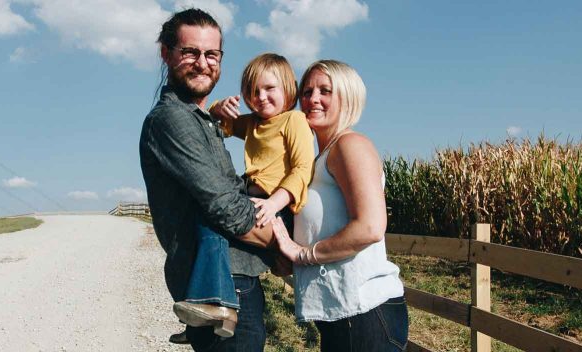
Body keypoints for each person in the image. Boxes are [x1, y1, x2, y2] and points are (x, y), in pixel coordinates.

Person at [139, 8, 284, 352]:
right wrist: (287, 246)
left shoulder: (202, 121)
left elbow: (232, 189)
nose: (203, 62)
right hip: (223, 289)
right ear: (166, 54)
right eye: (190, 52)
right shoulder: (172, 120)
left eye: (211, 54)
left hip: (236, 283)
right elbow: (227, 208)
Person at [164, 52, 314, 340]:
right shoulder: (255, 122)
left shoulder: (293, 120)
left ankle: (213, 307)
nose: (260, 96)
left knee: (212, 220)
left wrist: (275, 203)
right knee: (206, 223)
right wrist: (222, 108)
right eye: (252, 91)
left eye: (269, 88)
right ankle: (209, 315)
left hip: (276, 204)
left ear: (288, 89)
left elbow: (302, 168)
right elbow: (224, 124)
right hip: (253, 199)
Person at [270, 60, 409, 351]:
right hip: (339, 314)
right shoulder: (318, 160)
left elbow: (369, 227)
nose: (312, 99)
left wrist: (304, 254)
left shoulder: (350, 145)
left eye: (325, 91)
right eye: (306, 91)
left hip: (364, 312)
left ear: (347, 97)